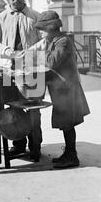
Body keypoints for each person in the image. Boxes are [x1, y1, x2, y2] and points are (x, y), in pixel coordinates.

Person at [27, 10, 90, 168]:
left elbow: (51, 62)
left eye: (42, 29)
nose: (41, 33)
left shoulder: (62, 41)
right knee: (65, 123)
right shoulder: (53, 40)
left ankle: (72, 156)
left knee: (68, 123)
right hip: (61, 90)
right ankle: (69, 153)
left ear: (50, 28)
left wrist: (37, 55)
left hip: (67, 90)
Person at [0, 0, 42, 162]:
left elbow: (45, 40)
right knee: (12, 108)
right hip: (8, 72)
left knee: (34, 109)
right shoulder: (1, 18)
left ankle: (35, 147)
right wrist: (6, 51)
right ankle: (17, 144)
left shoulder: (35, 17)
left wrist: (32, 52)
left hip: (33, 72)